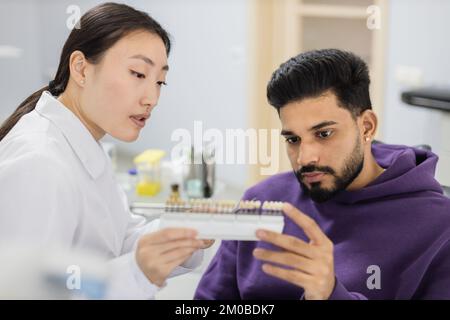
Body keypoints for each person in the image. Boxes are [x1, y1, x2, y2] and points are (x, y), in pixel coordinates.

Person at [195, 49, 450, 300]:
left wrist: (330, 294)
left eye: (324, 134)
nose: (305, 158)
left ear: (366, 126)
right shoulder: (261, 200)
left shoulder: (439, 227)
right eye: (293, 139)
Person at [0, 2, 212, 299]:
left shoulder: (83, 143)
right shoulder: (40, 163)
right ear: (81, 69)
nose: (152, 98)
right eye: (138, 74)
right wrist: (137, 273)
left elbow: (119, 239)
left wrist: (181, 229)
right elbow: (29, 292)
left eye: (160, 81)